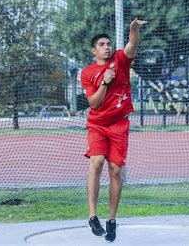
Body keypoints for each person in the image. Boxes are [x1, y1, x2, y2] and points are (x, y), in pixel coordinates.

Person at [80, 18, 146, 242]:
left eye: (108, 43)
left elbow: (132, 45)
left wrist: (133, 29)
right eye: (102, 44)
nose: (107, 47)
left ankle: (112, 220)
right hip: (98, 125)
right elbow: (93, 103)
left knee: (115, 171)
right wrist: (105, 83)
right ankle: (92, 216)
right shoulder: (87, 73)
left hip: (119, 125)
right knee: (96, 162)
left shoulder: (120, 60)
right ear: (94, 50)